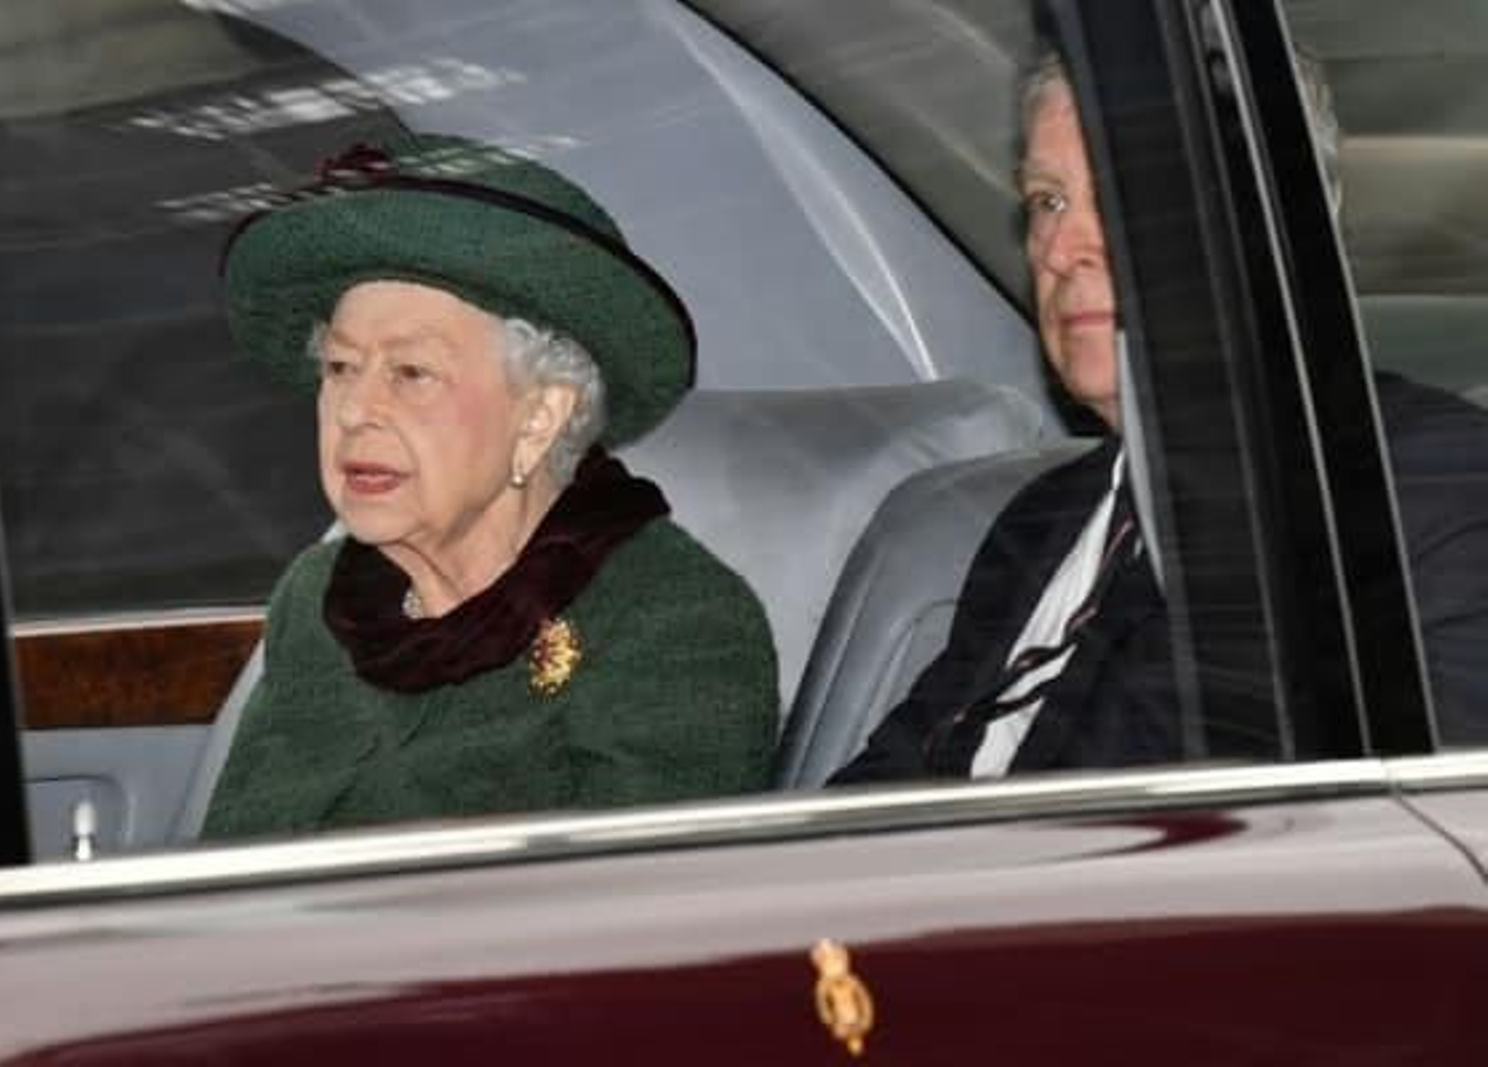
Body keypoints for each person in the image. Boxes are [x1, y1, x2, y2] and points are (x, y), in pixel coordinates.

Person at [834, 48, 1488, 783]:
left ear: (1281, 230)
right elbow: (883, 791)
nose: (1061, 249)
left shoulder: (1433, 494)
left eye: (1126, 194)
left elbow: (1400, 849)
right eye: (1048, 201)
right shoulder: (1044, 520)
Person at [202, 135, 777, 838]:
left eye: (411, 373)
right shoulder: (319, 597)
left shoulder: (672, 623)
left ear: (539, 416)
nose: (352, 412)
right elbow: (226, 865)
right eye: (341, 369)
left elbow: (629, 924)